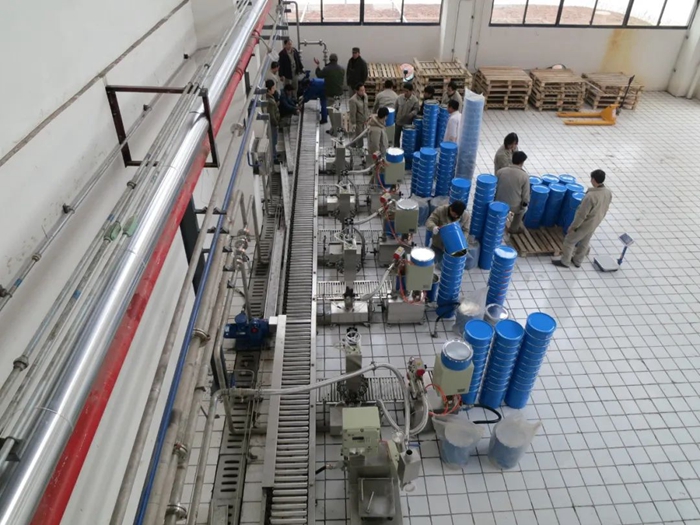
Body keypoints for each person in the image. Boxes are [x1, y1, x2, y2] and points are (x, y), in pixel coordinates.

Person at [552, 170, 613, 268]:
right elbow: (606, 207)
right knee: (585, 241)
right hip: (595, 221)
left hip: (585, 223)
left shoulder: (590, 196)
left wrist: (573, 227)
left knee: (569, 241)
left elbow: (581, 214)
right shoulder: (608, 192)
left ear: (593, 179)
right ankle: (577, 261)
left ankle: (565, 262)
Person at [495, 151, 530, 233]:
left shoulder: (500, 171)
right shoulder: (524, 176)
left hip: (499, 202)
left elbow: (494, 186)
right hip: (514, 205)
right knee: (523, 210)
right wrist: (524, 205)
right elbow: (525, 196)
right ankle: (513, 228)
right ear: (522, 162)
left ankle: (497, 223)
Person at [394, 82, 419, 147]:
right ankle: (396, 148)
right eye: (404, 91)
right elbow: (395, 109)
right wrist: (394, 119)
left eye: (407, 91)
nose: (405, 93)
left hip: (407, 123)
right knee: (396, 138)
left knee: (407, 139)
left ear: (411, 91)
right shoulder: (399, 98)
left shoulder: (415, 100)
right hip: (398, 121)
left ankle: (405, 149)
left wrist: (412, 114)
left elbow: (416, 110)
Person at [264, 79, 280, 162]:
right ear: (269, 89)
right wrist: (276, 123)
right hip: (272, 124)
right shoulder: (270, 101)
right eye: (273, 88)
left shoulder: (269, 98)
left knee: (274, 140)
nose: (274, 89)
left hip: (273, 124)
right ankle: (274, 157)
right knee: (273, 140)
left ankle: (275, 153)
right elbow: (272, 115)